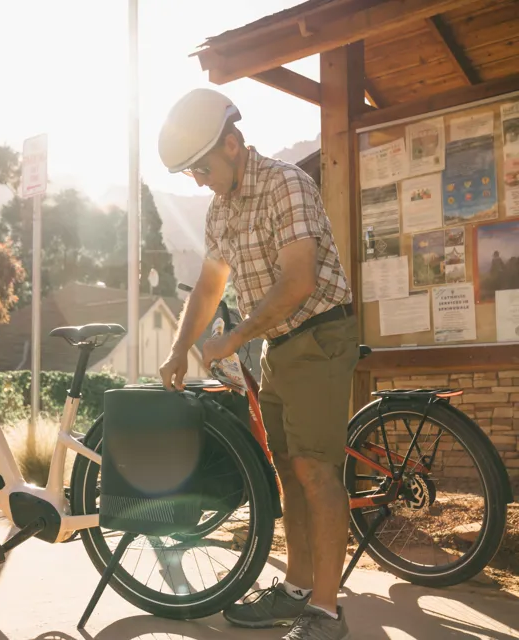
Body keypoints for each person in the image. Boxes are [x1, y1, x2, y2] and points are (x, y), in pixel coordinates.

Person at [157, 88, 359, 640]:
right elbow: (208, 286)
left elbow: (299, 280)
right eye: (189, 173)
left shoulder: (286, 185)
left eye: (200, 167)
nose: (197, 180)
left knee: (317, 472)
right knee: (290, 474)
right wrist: (180, 349)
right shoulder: (222, 208)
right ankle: (295, 591)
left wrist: (235, 337)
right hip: (278, 345)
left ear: (231, 143)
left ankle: (326, 611)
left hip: (320, 334)